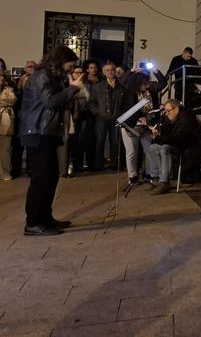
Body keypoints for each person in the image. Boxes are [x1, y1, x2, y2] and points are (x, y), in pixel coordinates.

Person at [18, 46, 83, 235]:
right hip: (38, 131)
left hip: (47, 131)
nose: (71, 69)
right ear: (61, 60)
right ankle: (33, 223)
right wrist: (72, 89)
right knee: (41, 179)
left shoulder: (51, 76)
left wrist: (69, 87)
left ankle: (45, 217)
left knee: (51, 176)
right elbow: (50, 101)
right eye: (70, 65)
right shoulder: (42, 75)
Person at [119, 70, 164, 185]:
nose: (148, 85)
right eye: (145, 83)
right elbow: (128, 108)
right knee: (132, 151)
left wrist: (156, 71)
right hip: (131, 125)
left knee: (149, 150)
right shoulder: (129, 92)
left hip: (147, 125)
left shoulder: (149, 91)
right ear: (138, 83)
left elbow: (163, 83)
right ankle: (133, 176)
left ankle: (149, 173)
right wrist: (130, 72)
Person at [147, 99, 199, 195]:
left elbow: (179, 138)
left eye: (168, 111)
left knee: (164, 148)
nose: (166, 114)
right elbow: (168, 132)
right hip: (177, 145)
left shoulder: (187, 117)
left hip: (188, 148)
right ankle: (156, 178)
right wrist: (159, 132)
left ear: (176, 108)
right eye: (165, 111)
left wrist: (159, 138)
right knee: (153, 147)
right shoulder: (174, 118)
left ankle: (164, 182)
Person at [89, 61, 123, 170]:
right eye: (107, 70)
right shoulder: (97, 86)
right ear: (104, 72)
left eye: (112, 70)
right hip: (101, 118)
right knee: (100, 141)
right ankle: (99, 164)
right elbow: (91, 102)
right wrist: (97, 112)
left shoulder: (121, 86)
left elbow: (125, 102)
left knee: (115, 141)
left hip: (116, 118)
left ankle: (113, 163)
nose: (110, 72)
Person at [0, 72, 16, 181]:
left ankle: (5, 172)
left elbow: (11, 100)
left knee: (5, 148)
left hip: (5, 120)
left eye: (2, 76)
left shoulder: (8, 89)